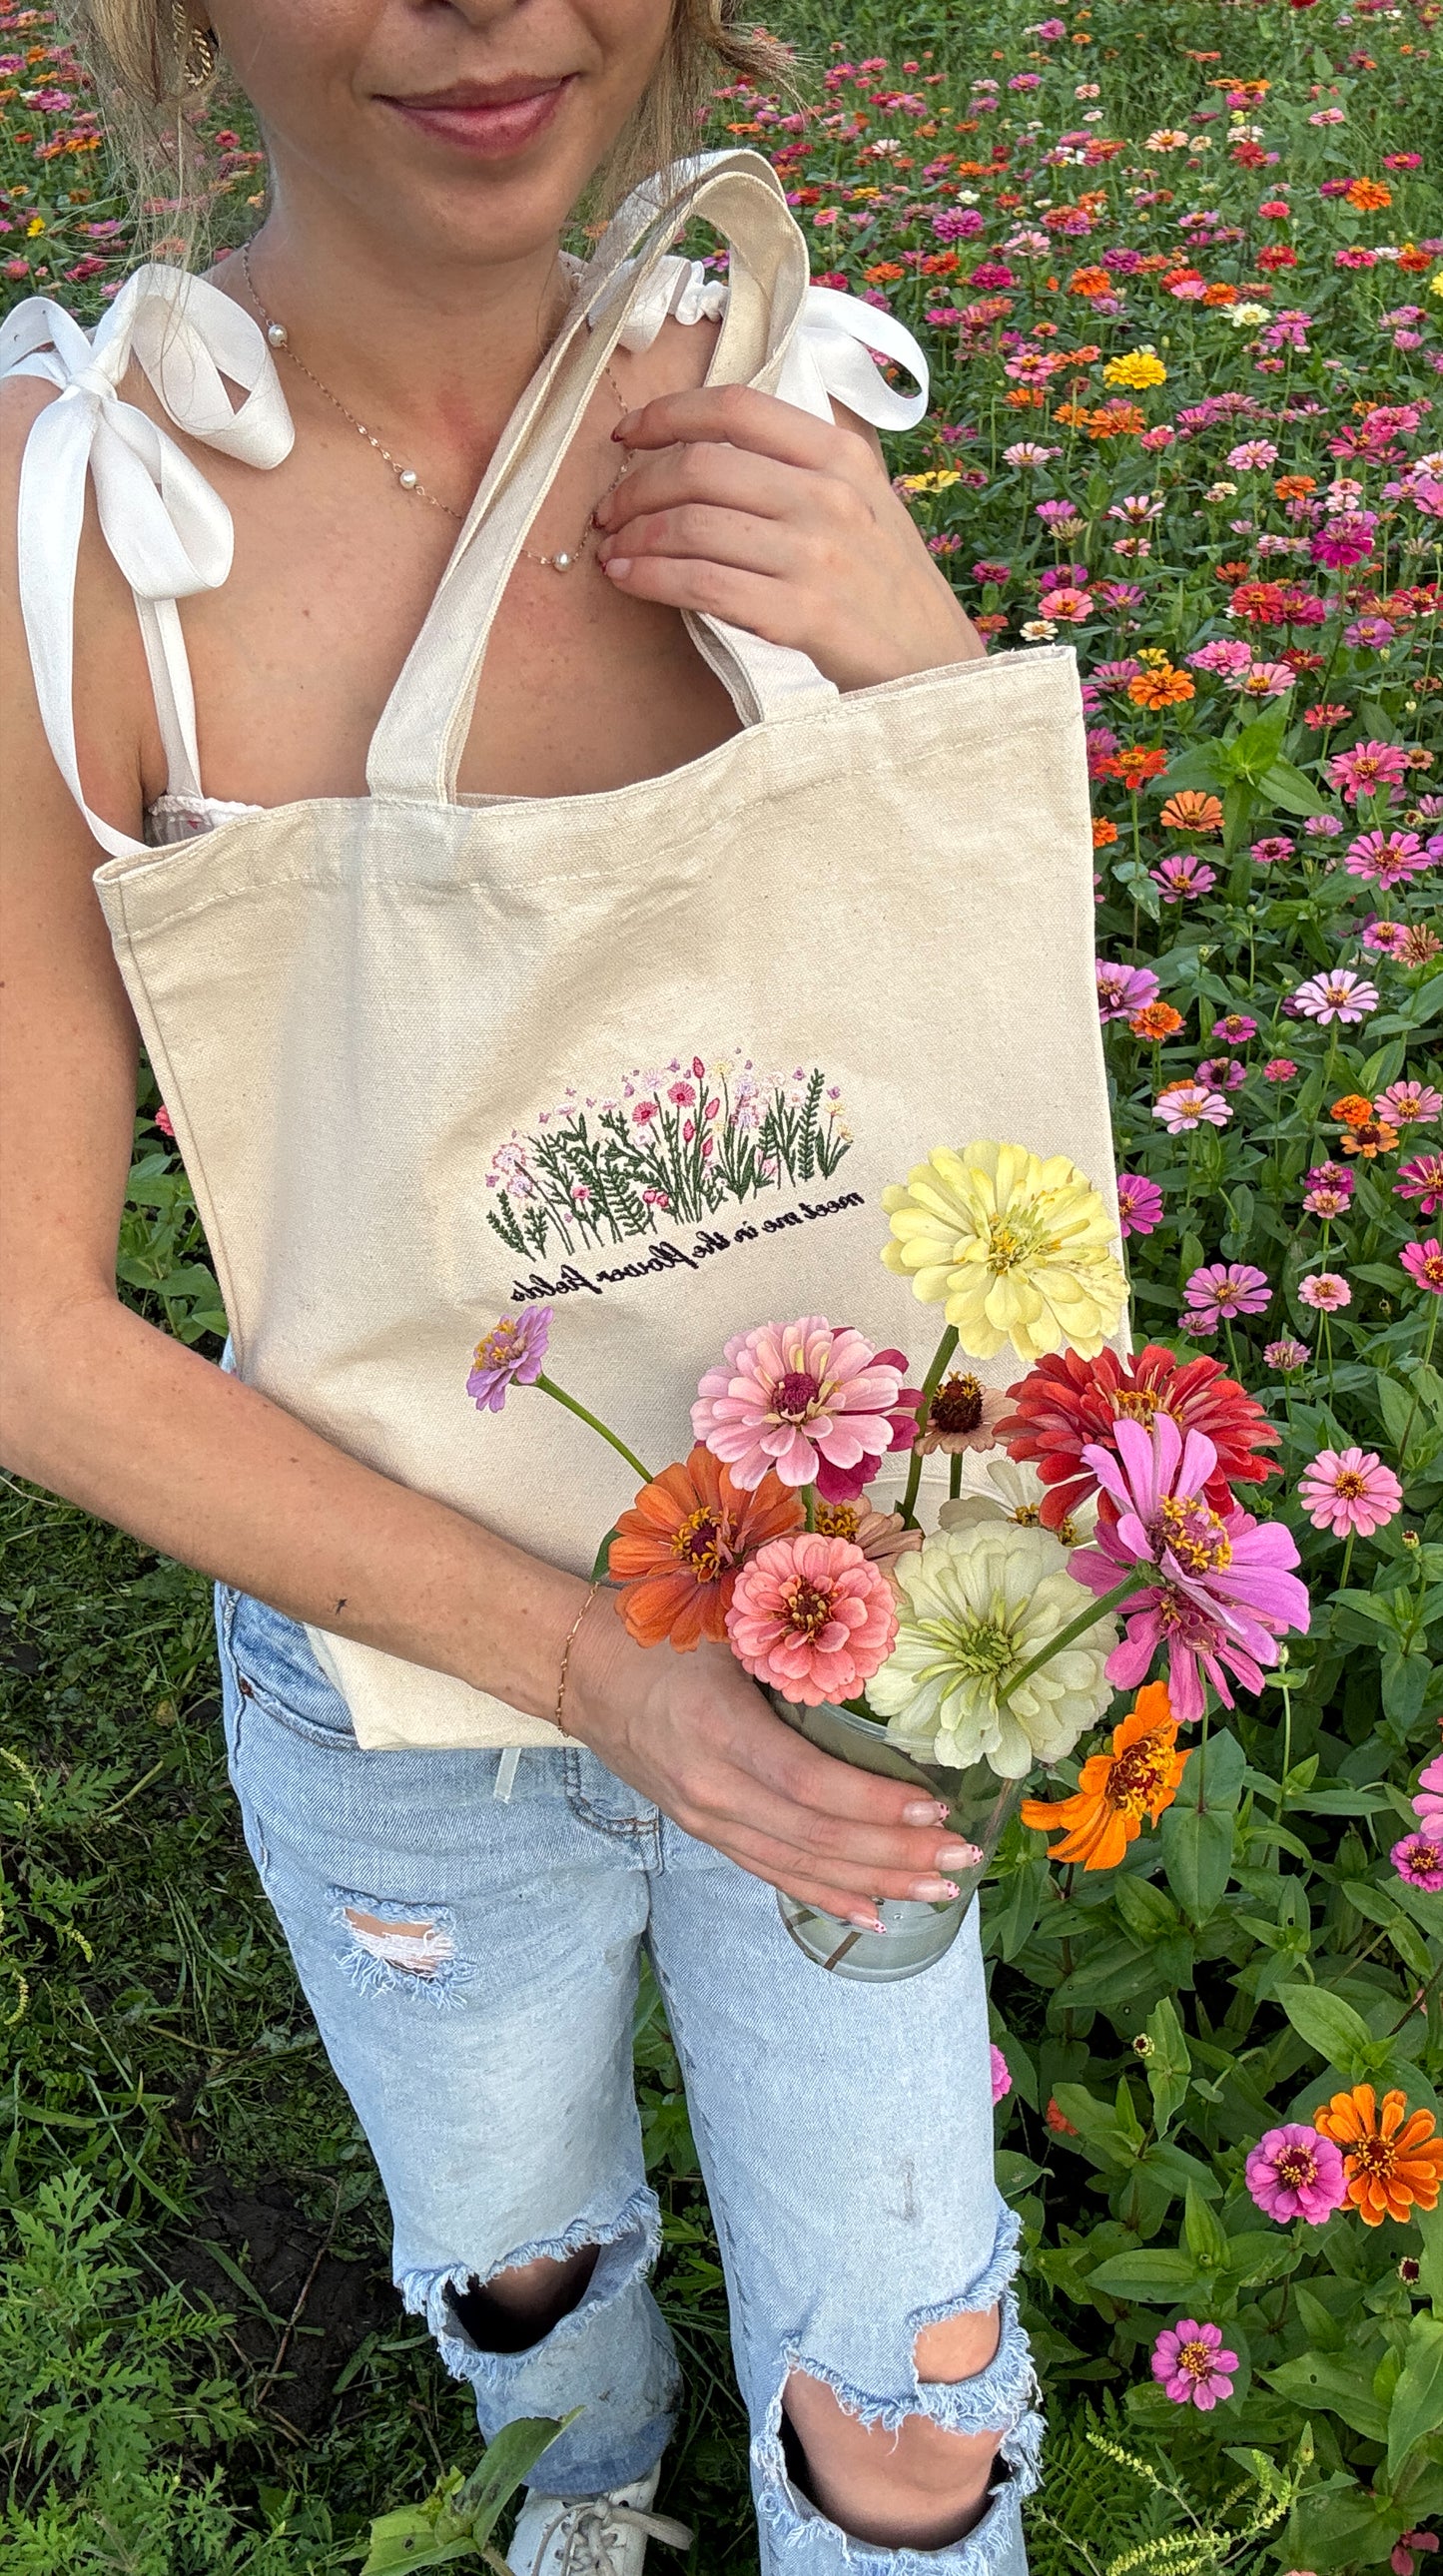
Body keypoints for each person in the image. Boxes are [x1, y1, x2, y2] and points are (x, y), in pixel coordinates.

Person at [0, 5, 1057, 2569]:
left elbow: (971, 1070)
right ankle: (579, 2478)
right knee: (518, 2247)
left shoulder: (774, 412)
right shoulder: (90, 536)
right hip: (405, 1705)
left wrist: (917, 679)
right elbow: (21, 1320)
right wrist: (596, 1669)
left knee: (907, 2395)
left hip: (863, 1646)